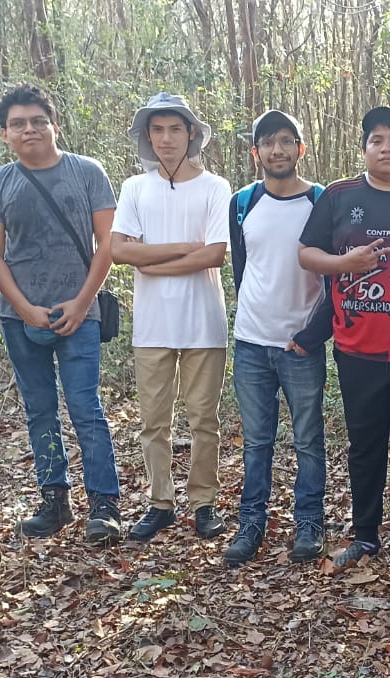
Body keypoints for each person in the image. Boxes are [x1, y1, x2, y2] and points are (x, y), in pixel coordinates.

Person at [297, 106, 390, 575]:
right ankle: (365, 535)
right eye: (376, 140)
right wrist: (346, 263)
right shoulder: (340, 197)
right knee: (365, 444)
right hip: (356, 346)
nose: (386, 148)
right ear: (363, 148)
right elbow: (306, 253)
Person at [0, 83, 125, 545]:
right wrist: (25, 309)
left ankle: (104, 504)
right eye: (18, 124)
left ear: (54, 125)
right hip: (19, 317)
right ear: (5, 134)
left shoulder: (87, 172)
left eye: (38, 121)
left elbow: (109, 245)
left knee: (86, 407)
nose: (29, 130)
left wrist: (82, 304)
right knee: (39, 409)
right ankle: (54, 499)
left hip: (80, 311)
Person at [108, 93, 232, 543]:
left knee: (203, 418)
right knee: (154, 421)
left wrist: (152, 260)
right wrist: (184, 247)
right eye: (156, 130)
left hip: (204, 322)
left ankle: (203, 502)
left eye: (174, 129)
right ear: (147, 137)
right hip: (152, 324)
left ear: (191, 134)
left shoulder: (217, 188)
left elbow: (215, 253)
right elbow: (120, 250)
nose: (165, 139)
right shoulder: (134, 188)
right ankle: (160, 502)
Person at [224, 109, 333, 566]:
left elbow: (334, 280)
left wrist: (311, 335)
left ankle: (308, 521)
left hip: (299, 346)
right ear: (256, 153)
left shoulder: (322, 201)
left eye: (287, 140)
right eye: (268, 142)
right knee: (256, 441)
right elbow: (242, 270)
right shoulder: (242, 202)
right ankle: (252, 522)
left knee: (308, 438)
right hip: (250, 342)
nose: (278, 149)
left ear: (301, 149)